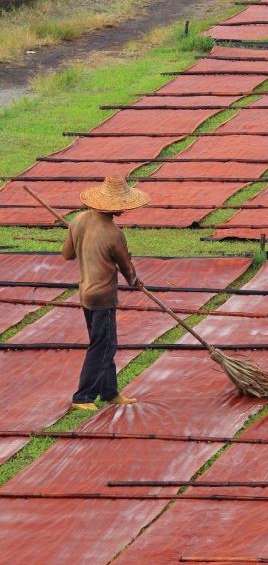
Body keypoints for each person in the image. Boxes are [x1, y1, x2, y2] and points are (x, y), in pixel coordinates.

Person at [62, 176, 150, 411]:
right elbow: (126, 267)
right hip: (103, 297)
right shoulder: (113, 233)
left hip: (85, 294)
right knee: (103, 346)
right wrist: (135, 281)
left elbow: (67, 254)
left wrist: (76, 235)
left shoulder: (78, 220)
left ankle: (109, 392)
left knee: (103, 341)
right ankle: (83, 396)